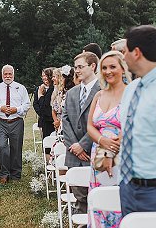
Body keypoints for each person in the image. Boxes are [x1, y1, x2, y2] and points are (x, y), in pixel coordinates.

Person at [119, 25, 156, 216]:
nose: (123, 57)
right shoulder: (131, 89)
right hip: (128, 188)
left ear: (136, 53)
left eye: (125, 51)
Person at [85, 50, 129, 227]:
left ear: (123, 69)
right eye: (104, 67)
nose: (108, 71)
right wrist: (102, 141)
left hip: (121, 155)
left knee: (117, 202)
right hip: (98, 157)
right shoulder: (99, 95)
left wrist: (111, 147)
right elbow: (90, 125)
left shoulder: (130, 93)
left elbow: (133, 125)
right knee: (99, 201)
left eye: (113, 67)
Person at [62, 51, 100, 214]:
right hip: (74, 155)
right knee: (79, 199)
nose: (76, 70)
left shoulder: (103, 90)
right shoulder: (72, 93)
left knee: (98, 199)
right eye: (75, 67)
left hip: (93, 151)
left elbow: (101, 123)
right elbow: (65, 120)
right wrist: (74, 147)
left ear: (92, 66)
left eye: (80, 67)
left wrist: (83, 145)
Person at [0, 65, 29, 184]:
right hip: (0, 122)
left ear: (13, 75)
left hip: (16, 121)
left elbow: (27, 105)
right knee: (1, 147)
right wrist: (0, 108)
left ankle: (16, 174)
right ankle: (4, 174)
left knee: (16, 148)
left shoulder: (21, 88)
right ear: (2, 75)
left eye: (9, 74)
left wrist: (16, 109)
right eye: (5, 74)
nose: (7, 76)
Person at [51, 65, 75, 134]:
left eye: (62, 78)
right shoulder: (60, 92)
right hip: (59, 125)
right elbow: (54, 108)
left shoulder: (71, 93)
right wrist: (56, 121)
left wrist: (60, 122)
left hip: (68, 125)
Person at [33, 67, 55, 139]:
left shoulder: (54, 88)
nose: (44, 78)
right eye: (42, 76)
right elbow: (35, 103)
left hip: (52, 119)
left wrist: (41, 95)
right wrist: (41, 113)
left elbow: (47, 104)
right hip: (43, 120)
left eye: (46, 75)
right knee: (45, 142)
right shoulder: (39, 88)